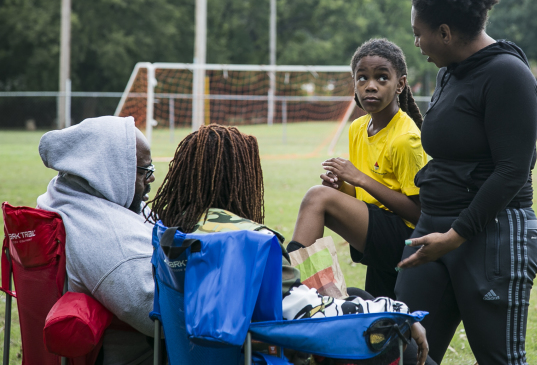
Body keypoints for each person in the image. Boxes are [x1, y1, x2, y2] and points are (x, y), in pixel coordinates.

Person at [145, 124, 429, 365]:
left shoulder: (172, 232)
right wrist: (398, 311)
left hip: (203, 352)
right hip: (262, 350)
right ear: (240, 179)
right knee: (386, 328)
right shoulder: (249, 242)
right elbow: (309, 317)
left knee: (354, 293)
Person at [394, 0, 537, 364]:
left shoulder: (507, 76)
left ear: (445, 31)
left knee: (500, 360)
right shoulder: (449, 73)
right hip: (432, 233)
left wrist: (456, 235)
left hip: (490, 238)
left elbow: (513, 169)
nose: (416, 43)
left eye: (418, 33)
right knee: (404, 351)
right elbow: (450, 140)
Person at [289, 38, 427, 300]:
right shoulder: (357, 128)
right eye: (362, 78)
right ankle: (321, 295)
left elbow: (420, 213)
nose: (370, 86)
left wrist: (360, 178)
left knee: (316, 198)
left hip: (406, 238)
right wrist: (342, 186)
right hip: (378, 231)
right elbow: (363, 195)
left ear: (400, 84)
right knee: (383, 323)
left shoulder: (406, 138)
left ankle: (299, 291)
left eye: (382, 78)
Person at [37, 116, 156, 365]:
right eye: (145, 170)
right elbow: (155, 316)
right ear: (111, 171)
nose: (152, 179)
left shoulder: (66, 193)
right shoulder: (111, 241)